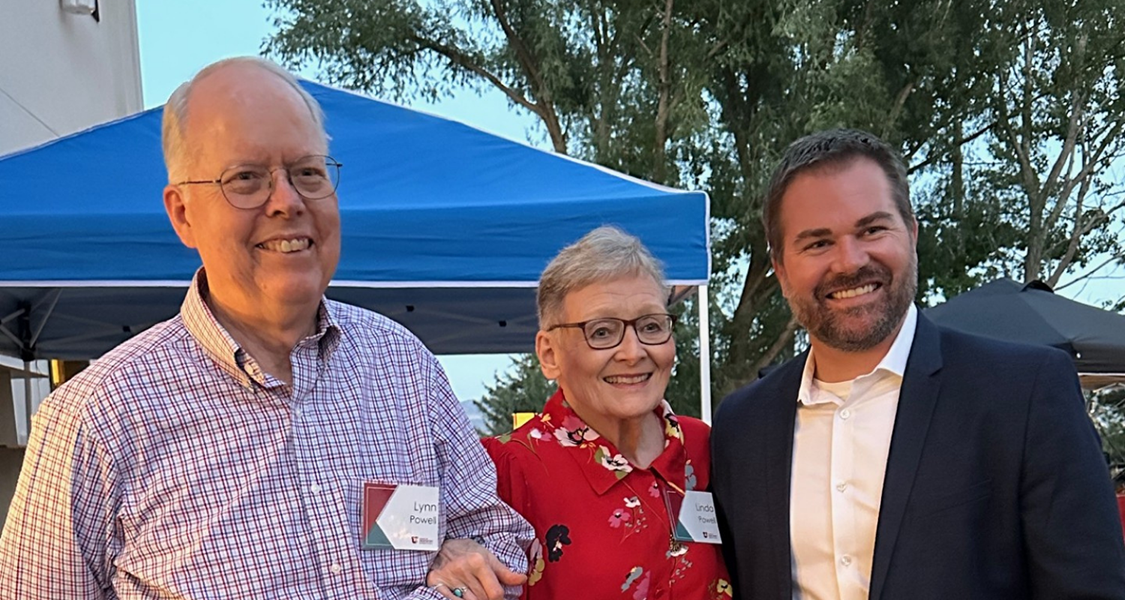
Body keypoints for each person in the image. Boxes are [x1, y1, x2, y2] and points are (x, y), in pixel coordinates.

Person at [0, 57, 532, 600]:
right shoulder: (97, 422)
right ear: (183, 215)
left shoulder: (402, 369)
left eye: (307, 172)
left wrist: (465, 568)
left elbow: (498, 538)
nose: (287, 202)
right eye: (246, 179)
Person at [710, 128, 1125, 599]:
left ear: (911, 233)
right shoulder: (741, 427)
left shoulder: (1024, 394)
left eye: (871, 229)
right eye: (817, 243)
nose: (849, 261)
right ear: (781, 269)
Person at [482, 226, 731, 599]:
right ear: (549, 355)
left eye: (650, 326)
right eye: (601, 332)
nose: (633, 352)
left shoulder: (704, 446)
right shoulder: (501, 471)